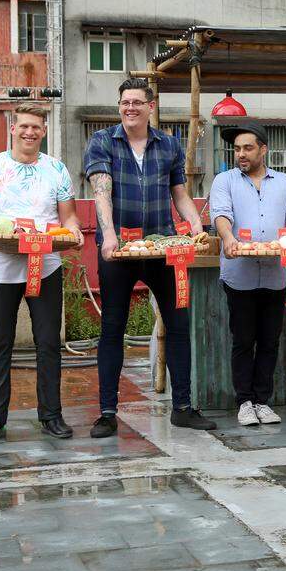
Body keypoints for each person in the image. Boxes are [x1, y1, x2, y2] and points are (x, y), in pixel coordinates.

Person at [83, 77, 216, 438]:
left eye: (137, 102)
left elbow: (179, 191)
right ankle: (108, 412)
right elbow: (100, 189)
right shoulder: (101, 141)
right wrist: (108, 234)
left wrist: (194, 224)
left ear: (150, 107)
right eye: (125, 102)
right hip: (120, 251)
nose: (130, 108)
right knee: (113, 327)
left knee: (178, 324)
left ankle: (183, 407)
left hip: (163, 248)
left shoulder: (168, 144)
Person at [0, 104, 83, 443]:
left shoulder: (56, 169)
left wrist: (75, 231)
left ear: (44, 131)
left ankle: (51, 416)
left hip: (45, 268)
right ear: (12, 128)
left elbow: (68, 217)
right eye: (24, 126)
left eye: (37, 128)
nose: (30, 132)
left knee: (48, 343)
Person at [210, 123, 286, 427]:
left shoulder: (283, 182)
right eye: (237, 149)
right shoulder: (225, 180)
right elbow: (220, 213)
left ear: (263, 149)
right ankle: (244, 402)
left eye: (247, 148)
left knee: (270, 341)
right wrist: (229, 239)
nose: (241, 154)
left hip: (275, 275)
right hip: (239, 275)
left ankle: (263, 401)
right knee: (243, 340)